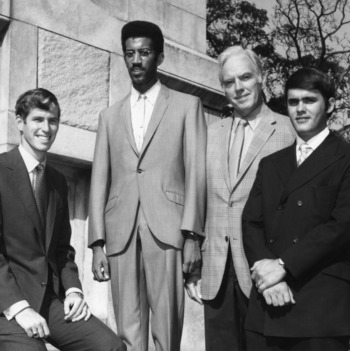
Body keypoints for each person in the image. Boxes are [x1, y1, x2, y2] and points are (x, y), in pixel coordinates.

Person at [88, 20, 207, 351]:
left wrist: (192, 237)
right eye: (129, 54)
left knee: (166, 329)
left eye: (144, 53)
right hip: (120, 233)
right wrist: (97, 242)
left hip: (168, 229)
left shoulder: (187, 106)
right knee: (127, 327)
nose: (136, 60)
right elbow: (100, 180)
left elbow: (196, 173)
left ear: (160, 57)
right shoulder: (109, 117)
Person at [185, 45, 295, 351]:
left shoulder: (289, 131)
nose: (238, 87)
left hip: (265, 272)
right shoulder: (209, 133)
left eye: (245, 77)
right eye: (229, 81)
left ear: (261, 77)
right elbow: (198, 198)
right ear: (222, 88)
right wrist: (192, 257)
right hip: (216, 271)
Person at [0, 88, 125, 351]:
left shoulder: (56, 181)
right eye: (38, 119)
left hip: (49, 300)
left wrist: (74, 291)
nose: (46, 128)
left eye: (53, 120)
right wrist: (19, 308)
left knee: (110, 346)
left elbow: (62, 250)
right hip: (6, 304)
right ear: (20, 122)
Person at [242, 67, 350, 350]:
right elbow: (251, 222)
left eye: (309, 100)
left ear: (330, 104)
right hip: (267, 303)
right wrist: (268, 275)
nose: (300, 109)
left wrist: (283, 266)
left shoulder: (345, 158)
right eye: (293, 102)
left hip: (318, 309)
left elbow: (341, 226)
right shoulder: (271, 163)